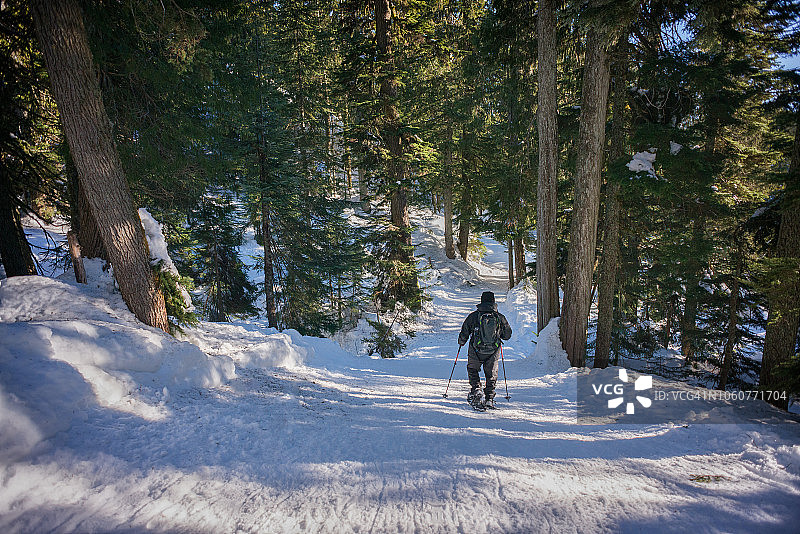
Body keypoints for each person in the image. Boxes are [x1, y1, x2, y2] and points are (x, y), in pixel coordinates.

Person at [458, 291, 512, 409]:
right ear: (493, 301)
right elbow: (507, 335)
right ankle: (489, 399)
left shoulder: (474, 316)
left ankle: (476, 389)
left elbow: (465, 331)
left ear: (482, 301)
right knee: (491, 374)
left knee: (473, 369)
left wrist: (461, 341)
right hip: (493, 350)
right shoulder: (500, 317)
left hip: (476, 349)